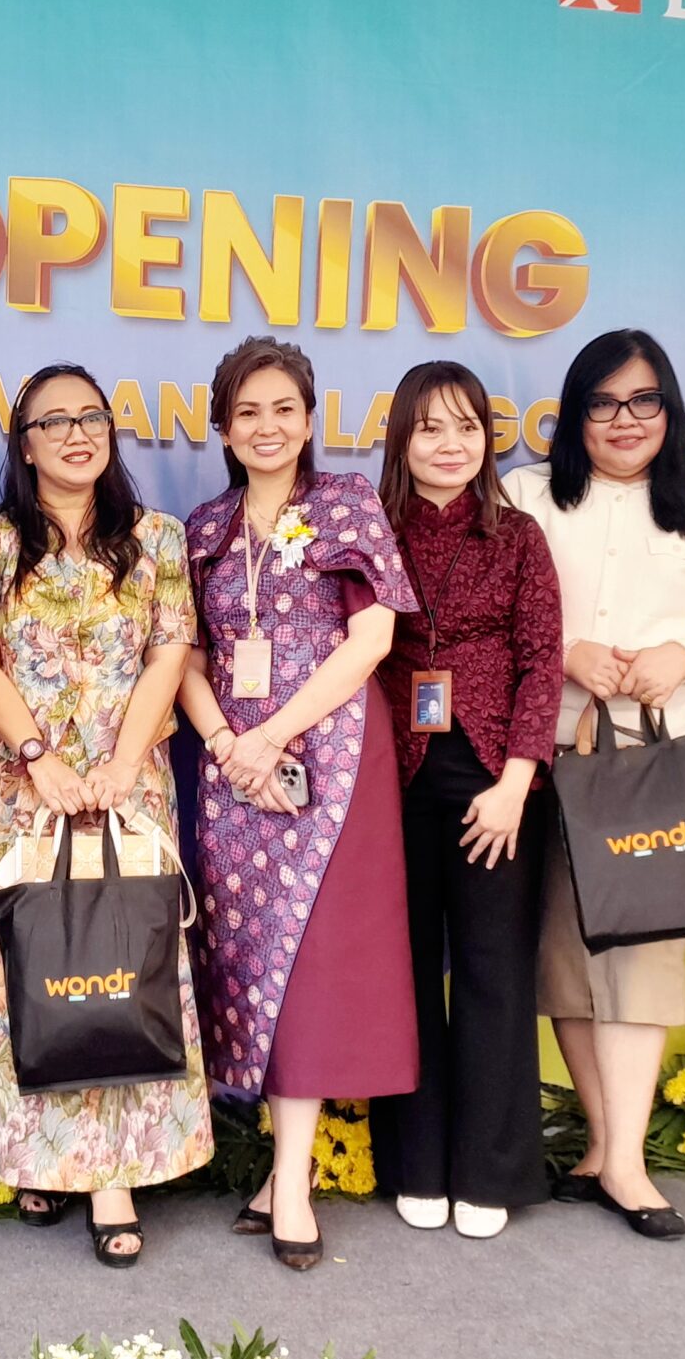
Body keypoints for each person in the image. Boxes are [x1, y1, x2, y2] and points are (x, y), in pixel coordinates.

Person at [0, 364, 214, 1269]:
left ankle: (111, 1177)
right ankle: (32, 1156)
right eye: (56, 421)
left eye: (92, 417)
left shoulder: (157, 538)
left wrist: (118, 765)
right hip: (18, 790)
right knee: (25, 969)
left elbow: (170, 654)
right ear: (26, 443)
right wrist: (40, 757)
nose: (78, 434)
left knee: (115, 970)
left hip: (126, 790)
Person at [499, 329, 685, 1241]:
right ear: (574, 414)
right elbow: (491, 613)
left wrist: (682, 656)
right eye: (603, 402)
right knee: (566, 960)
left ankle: (627, 1161)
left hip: (654, 766)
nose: (624, 419)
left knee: (641, 962)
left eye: (643, 400)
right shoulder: (526, 494)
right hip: (547, 757)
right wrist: (565, 651)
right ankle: (607, 1147)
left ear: (669, 410)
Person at [177, 335, 419, 1271]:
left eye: (284, 408)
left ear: (311, 418)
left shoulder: (346, 503)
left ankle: (290, 1181)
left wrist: (272, 733)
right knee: (246, 954)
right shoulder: (204, 526)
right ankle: (280, 1167)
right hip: (232, 771)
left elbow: (372, 637)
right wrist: (224, 741)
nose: (267, 426)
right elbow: (186, 655)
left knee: (312, 964)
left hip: (329, 763)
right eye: (248, 412)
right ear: (223, 429)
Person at [370, 361, 562, 1241]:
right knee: (405, 972)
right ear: (402, 439)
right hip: (393, 779)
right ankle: (416, 1162)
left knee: (492, 972)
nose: (451, 444)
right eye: (430, 428)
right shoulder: (370, 530)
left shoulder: (518, 535)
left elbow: (543, 660)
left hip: (495, 784)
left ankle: (490, 1168)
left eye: (467, 426)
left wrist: (517, 781)